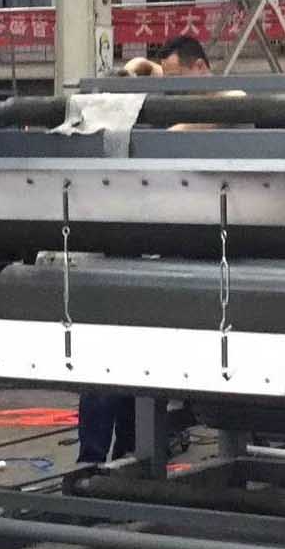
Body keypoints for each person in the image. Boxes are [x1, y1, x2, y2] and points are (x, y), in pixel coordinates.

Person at [76, 36, 213, 463]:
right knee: (110, 360)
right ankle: (100, 459)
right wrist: (136, 70)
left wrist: (152, 79)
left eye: (177, 78)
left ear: (201, 68)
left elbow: (211, 114)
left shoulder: (229, 106)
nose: (170, 89)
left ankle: (131, 453)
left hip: (193, 260)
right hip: (143, 252)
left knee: (139, 365)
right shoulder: (174, 108)